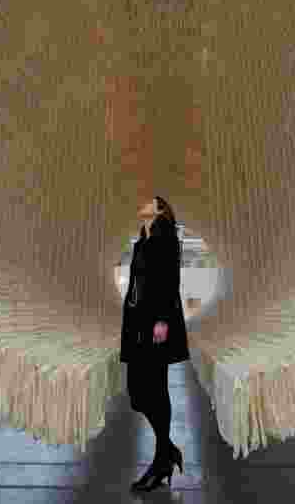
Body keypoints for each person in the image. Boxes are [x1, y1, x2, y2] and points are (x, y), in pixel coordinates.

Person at [120, 196, 190, 492]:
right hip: (137, 324)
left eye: (147, 200)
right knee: (137, 393)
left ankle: (162, 460)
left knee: (156, 389)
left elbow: (169, 281)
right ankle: (168, 451)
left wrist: (162, 320)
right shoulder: (143, 239)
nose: (139, 201)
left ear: (159, 209)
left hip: (155, 325)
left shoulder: (166, 238)